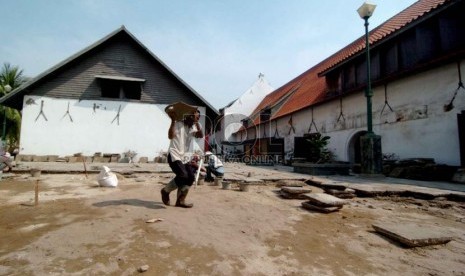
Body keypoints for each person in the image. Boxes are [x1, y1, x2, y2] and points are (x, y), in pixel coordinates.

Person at [161, 108, 203, 208]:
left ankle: (180, 201)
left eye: (195, 116)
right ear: (187, 115)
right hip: (174, 154)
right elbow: (170, 136)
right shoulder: (178, 123)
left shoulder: (195, 126)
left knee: (191, 177)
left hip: (186, 157)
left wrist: (196, 122)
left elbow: (200, 135)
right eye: (191, 115)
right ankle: (165, 191)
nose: (193, 117)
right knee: (183, 175)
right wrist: (173, 121)